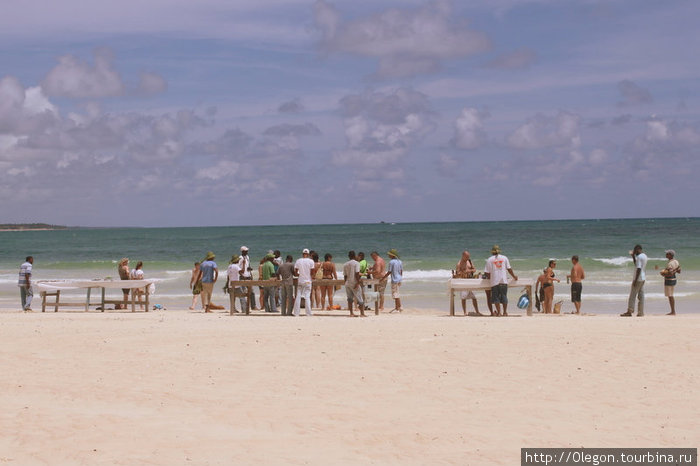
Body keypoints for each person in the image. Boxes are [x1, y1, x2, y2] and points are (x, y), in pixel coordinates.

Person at [483, 245, 518, 317]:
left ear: (492, 252)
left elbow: (486, 272)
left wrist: (490, 277)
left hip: (494, 281)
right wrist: (514, 276)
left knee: (496, 298)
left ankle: (499, 312)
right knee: (504, 296)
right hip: (504, 280)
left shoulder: (489, 259)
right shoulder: (504, 258)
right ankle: (505, 312)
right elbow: (509, 269)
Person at [452, 250, 481, 316]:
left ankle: (477, 311)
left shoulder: (469, 261)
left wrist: (469, 270)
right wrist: (463, 272)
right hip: (463, 281)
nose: (468, 258)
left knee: (474, 297)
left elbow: (474, 269)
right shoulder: (459, 264)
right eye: (467, 257)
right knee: (463, 298)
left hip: (471, 280)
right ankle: (465, 312)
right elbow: (457, 273)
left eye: (468, 257)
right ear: (463, 256)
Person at [621, 244, 647, 317]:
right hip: (643, 278)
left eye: (635, 250)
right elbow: (637, 265)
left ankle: (630, 311)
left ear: (638, 249)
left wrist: (635, 280)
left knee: (632, 295)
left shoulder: (639, 257)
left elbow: (638, 268)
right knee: (641, 296)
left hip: (638, 279)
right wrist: (633, 257)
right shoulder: (644, 256)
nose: (634, 252)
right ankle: (641, 312)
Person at [293, 248, 315, 317]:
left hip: (300, 280)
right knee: (307, 297)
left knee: (298, 296)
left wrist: (300, 275)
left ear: (302, 254)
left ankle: (296, 313)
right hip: (308, 281)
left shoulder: (298, 261)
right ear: (308, 254)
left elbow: (295, 272)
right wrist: (312, 277)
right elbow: (312, 272)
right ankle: (308, 313)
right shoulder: (311, 261)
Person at [343, 251, 365, 317]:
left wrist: (345, 282)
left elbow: (345, 275)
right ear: (354, 256)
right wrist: (358, 282)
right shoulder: (356, 263)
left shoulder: (345, 264)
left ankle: (351, 313)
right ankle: (362, 313)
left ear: (349, 256)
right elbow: (357, 273)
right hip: (354, 282)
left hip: (347, 283)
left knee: (349, 299)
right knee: (360, 298)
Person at [659, 249, 680, 315]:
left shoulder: (670, 263)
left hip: (669, 280)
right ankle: (673, 311)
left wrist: (663, 274)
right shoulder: (676, 261)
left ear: (670, 255)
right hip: (674, 279)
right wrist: (675, 270)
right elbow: (679, 271)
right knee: (671, 295)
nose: (666, 254)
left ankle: (673, 311)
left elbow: (670, 273)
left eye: (667, 254)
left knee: (670, 296)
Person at [383, 249, 403, 313]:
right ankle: (399, 307)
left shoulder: (391, 262)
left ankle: (397, 308)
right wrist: (400, 278)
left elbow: (389, 272)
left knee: (395, 294)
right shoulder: (399, 261)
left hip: (394, 280)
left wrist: (383, 278)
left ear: (392, 255)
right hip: (399, 279)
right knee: (397, 293)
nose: (388, 255)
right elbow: (401, 271)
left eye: (389, 254)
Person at [238, 246, 257, 311]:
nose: (247, 252)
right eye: (246, 251)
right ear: (242, 251)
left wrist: (250, 273)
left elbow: (248, 266)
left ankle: (253, 306)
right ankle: (245, 308)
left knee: (252, 292)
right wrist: (242, 275)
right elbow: (238, 268)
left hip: (248, 276)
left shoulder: (247, 257)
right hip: (243, 277)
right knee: (243, 292)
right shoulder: (240, 258)